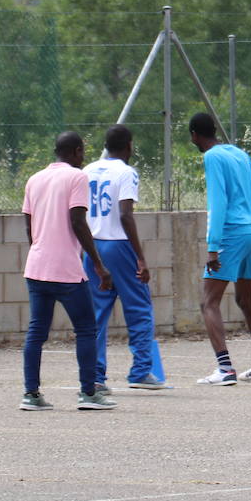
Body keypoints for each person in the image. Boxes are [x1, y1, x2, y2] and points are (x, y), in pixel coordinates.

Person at [20, 131, 116, 411]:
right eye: (82, 151)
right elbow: (77, 220)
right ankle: (88, 393)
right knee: (86, 328)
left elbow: (29, 226)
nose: (83, 156)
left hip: (36, 267)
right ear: (75, 151)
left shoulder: (34, 179)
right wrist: (98, 264)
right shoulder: (77, 177)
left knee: (36, 331)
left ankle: (31, 395)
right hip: (66, 270)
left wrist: (41, 251)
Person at [189, 112, 251, 385]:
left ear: (194, 135)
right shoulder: (238, 153)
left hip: (231, 234)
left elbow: (218, 201)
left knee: (208, 301)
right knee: (244, 299)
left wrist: (213, 247)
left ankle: (224, 368)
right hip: (250, 232)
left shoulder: (211, 157)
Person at [83, 124, 164, 393]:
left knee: (96, 314)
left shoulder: (87, 170)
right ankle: (140, 371)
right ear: (129, 146)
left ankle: (95, 376)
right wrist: (140, 257)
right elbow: (126, 214)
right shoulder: (127, 173)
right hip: (118, 245)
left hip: (92, 245)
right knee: (139, 308)